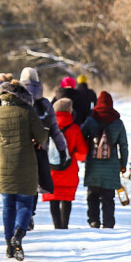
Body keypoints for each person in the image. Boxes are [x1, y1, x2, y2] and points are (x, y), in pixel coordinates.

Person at [0, 79, 48, 259]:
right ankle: (19, 234)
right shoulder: (28, 111)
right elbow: (41, 137)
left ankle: (9, 246)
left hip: (2, 163)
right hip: (25, 162)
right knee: (25, 203)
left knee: (8, 205)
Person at [21, 67, 71, 229]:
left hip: (20, 148)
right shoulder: (45, 104)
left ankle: (22, 213)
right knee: (34, 183)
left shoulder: (17, 102)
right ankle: (30, 213)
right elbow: (55, 130)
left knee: (21, 182)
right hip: (41, 149)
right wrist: (63, 150)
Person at [80, 91, 128, 228]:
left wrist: (84, 154)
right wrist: (122, 164)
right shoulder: (118, 123)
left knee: (93, 196)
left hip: (93, 165)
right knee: (108, 198)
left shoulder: (90, 120)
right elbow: (123, 145)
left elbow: (81, 138)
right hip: (111, 167)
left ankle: (94, 220)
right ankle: (108, 223)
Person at [44, 97, 87, 228]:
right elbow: (83, 152)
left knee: (53, 197)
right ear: (70, 111)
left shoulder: (47, 127)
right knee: (66, 198)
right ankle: (64, 226)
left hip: (50, 168)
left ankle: (57, 226)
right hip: (68, 169)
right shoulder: (74, 128)